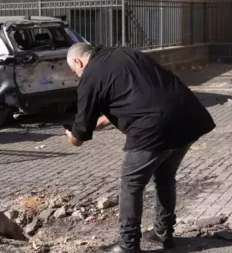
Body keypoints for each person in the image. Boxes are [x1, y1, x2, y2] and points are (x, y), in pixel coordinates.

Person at [65, 43, 216, 253]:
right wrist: (96, 123)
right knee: (164, 176)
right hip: (187, 115)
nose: (78, 75)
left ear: (78, 62)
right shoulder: (124, 53)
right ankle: (163, 232)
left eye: (75, 71)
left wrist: (72, 136)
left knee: (131, 184)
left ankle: (128, 245)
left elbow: (80, 135)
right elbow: (135, 96)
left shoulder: (90, 76)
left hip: (153, 127)